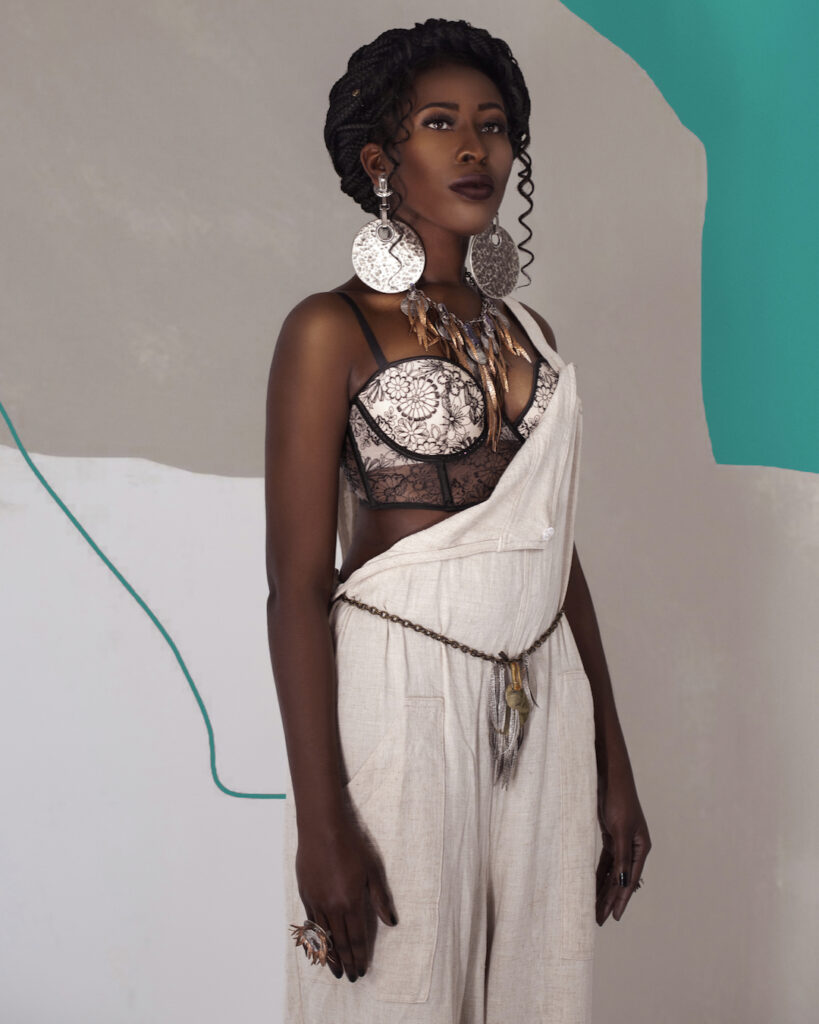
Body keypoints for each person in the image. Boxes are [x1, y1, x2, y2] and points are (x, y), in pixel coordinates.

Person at [265, 17, 651, 1023]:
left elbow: (553, 552)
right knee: (393, 987)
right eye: (442, 124)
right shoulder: (329, 327)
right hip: (399, 687)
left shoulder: (533, 334)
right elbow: (299, 586)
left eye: (494, 126)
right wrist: (321, 824)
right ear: (381, 159)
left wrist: (615, 758)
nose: (476, 148)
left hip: (544, 696)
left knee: (538, 984)